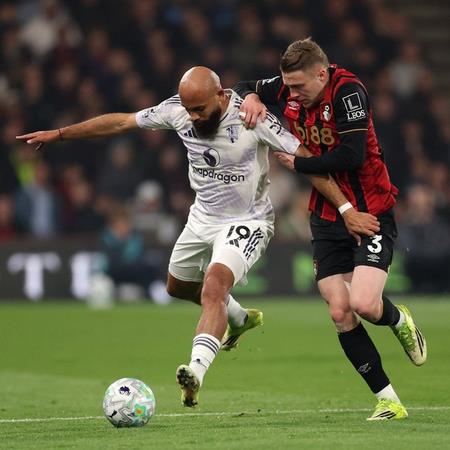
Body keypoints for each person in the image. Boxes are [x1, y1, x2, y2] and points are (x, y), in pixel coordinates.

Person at [17, 66, 379, 408]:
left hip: (248, 220)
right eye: (189, 110)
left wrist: (346, 209)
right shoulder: (177, 110)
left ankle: (195, 372)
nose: (192, 117)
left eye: (200, 109)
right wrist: (60, 134)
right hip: (202, 218)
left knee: (214, 286)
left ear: (221, 95)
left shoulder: (252, 118)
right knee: (176, 286)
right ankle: (239, 318)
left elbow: (306, 159)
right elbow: (122, 122)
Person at [235, 38, 427, 421]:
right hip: (325, 215)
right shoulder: (288, 88)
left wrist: (298, 163)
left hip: (369, 210)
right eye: (287, 86)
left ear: (321, 74)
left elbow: (352, 156)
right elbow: (242, 87)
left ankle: (398, 319)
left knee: (364, 305)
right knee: (340, 311)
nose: (291, 94)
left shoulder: (348, 92)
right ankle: (388, 400)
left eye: (298, 86)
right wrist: (251, 97)